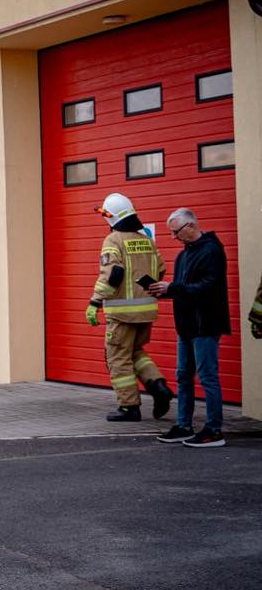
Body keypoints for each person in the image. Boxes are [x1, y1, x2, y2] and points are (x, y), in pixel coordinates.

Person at [85, 192, 171, 422]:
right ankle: (158, 386)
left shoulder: (113, 240)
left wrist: (94, 302)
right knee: (134, 352)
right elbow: (160, 269)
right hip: (146, 311)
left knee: (117, 358)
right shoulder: (146, 240)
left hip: (121, 314)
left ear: (111, 217)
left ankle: (128, 407)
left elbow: (111, 274)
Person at [148, 208, 229, 448]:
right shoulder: (183, 255)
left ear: (191, 226)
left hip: (205, 324)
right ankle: (183, 425)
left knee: (207, 376)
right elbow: (184, 288)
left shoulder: (211, 250)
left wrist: (172, 288)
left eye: (176, 232)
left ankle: (214, 430)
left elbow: (208, 286)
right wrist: (162, 291)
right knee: (183, 376)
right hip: (186, 326)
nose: (174, 237)